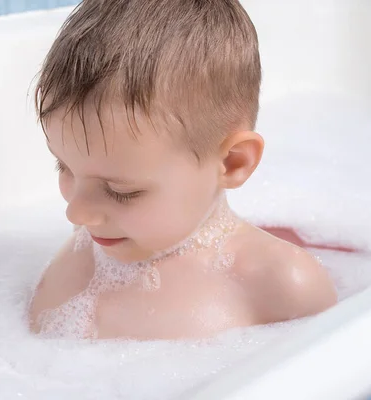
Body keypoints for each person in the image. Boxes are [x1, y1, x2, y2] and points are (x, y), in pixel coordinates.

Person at [27, 0, 337, 340]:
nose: (76, 213)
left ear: (233, 163)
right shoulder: (95, 239)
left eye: (121, 191)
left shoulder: (282, 286)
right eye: (64, 166)